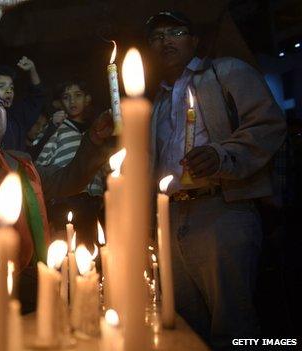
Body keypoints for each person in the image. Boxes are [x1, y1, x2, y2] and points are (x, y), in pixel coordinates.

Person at [0, 0, 115, 312]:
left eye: (1, 103)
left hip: (31, 279)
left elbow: (69, 180)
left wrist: (93, 142)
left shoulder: (22, 162)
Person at [146, 11, 286, 350]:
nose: (166, 40)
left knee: (232, 323)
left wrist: (221, 154)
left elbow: (268, 124)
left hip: (223, 207)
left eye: (176, 31)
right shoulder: (157, 101)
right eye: (157, 36)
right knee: (185, 325)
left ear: (194, 41)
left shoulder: (226, 72)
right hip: (173, 217)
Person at [35, 80, 109, 246]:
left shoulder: (97, 131)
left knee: (91, 251)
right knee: (65, 248)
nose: (72, 101)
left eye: (78, 95)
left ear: (87, 99)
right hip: (65, 201)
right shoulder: (57, 128)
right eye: (66, 97)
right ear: (60, 102)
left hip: (92, 203)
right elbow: (40, 160)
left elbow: (100, 168)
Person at [0, 57, 46, 152]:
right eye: (1, 86)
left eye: (11, 87)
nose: (9, 91)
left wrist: (32, 69)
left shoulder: (17, 119)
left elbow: (37, 97)